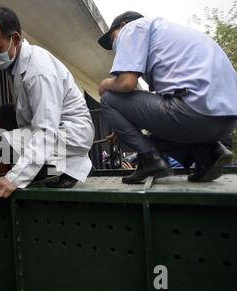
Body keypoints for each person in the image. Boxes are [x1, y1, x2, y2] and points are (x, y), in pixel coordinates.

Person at [97, 11, 237, 184]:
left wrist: (104, 85)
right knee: (154, 138)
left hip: (194, 112)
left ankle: (150, 162)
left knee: (109, 98)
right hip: (226, 121)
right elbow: (156, 111)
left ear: (122, 26)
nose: (115, 46)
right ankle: (210, 154)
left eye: (113, 40)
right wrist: (124, 126)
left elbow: (127, 83)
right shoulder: (170, 38)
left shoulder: (132, 28)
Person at [0, 6, 95, 198]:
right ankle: (45, 169)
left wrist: (14, 179)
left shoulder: (38, 70)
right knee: (7, 117)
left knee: (8, 143)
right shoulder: (17, 65)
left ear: (14, 39)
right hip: (57, 130)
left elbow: (45, 131)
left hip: (72, 132)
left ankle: (72, 167)